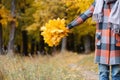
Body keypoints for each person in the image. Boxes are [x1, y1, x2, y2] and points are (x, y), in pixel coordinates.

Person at [67, 0, 120, 80]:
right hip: (102, 44)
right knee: (103, 73)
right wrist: (69, 26)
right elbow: (84, 15)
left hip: (117, 44)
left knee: (116, 74)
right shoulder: (98, 2)